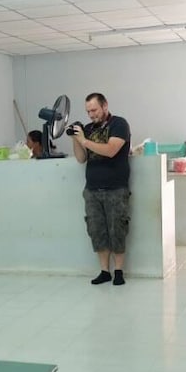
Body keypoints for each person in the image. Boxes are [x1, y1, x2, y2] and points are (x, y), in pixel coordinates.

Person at [70, 92, 132, 286]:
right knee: (96, 230)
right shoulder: (87, 129)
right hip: (92, 189)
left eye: (94, 110)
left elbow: (111, 150)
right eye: (88, 111)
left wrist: (85, 141)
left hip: (116, 188)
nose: (91, 115)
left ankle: (119, 271)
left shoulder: (119, 124)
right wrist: (76, 138)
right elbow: (81, 158)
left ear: (105, 106)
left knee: (117, 229)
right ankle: (105, 271)